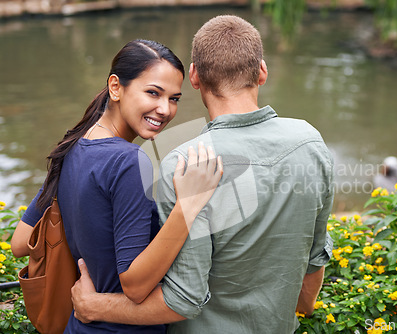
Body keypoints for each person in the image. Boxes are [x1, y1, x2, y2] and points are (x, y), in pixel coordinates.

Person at [71, 15, 334, 333]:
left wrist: (93, 306)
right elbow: (312, 268)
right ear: (262, 71)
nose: (165, 108)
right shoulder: (309, 141)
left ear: (193, 77)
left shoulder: (185, 164)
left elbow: (183, 299)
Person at [11, 39, 222, 333]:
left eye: (174, 99)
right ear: (115, 87)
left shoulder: (74, 145)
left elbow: (21, 242)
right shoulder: (128, 161)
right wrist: (189, 204)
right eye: (153, 93)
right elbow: (134, 286)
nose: (165, 109)